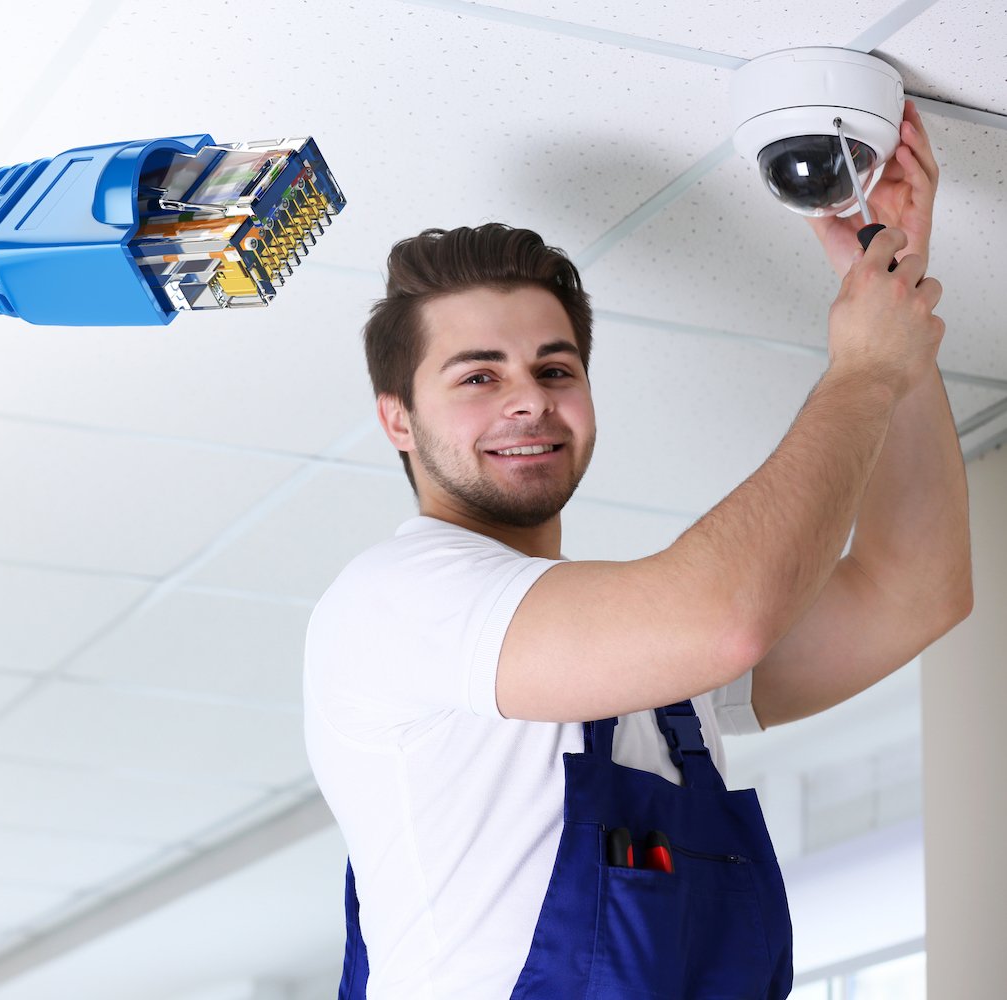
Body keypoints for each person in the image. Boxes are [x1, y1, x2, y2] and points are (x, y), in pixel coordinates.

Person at [304, 99, 972, 999]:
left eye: (555, 369)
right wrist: (861, 371)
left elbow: (914, 590)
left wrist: (894, 305)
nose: (528, 400)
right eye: (478, 376)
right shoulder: (394, 601)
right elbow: (724, 621)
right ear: (398, 420)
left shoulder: (646, 678)